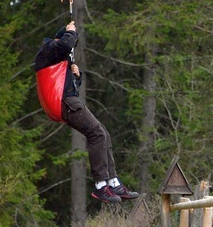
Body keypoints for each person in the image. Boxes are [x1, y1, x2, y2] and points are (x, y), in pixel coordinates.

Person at [34, 20, 139, 204]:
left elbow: (71, 87)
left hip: (66, 100)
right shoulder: (48, 49)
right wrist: (71, 31)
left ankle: (112, 182)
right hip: (64, 102)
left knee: (102, 133)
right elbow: (66, 44)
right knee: (96, 133)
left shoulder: (58, 60)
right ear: (61, 37)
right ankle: (101, 186)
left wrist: (76, 76)